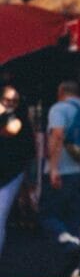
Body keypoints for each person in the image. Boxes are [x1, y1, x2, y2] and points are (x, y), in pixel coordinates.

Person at [41, 81, 80, 277]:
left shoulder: (59, 109)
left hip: (64, 171)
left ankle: (69, 244)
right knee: (74, 220)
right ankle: (71, 269)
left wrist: (54, 168)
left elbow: (57, 135)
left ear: (61, 93)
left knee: (48, 215)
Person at [0, 85, 34, 258]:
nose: (11, 104)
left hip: (9, 174)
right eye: (7, 100)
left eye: (14, 101)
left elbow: (12, 130)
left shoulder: (18, 119)